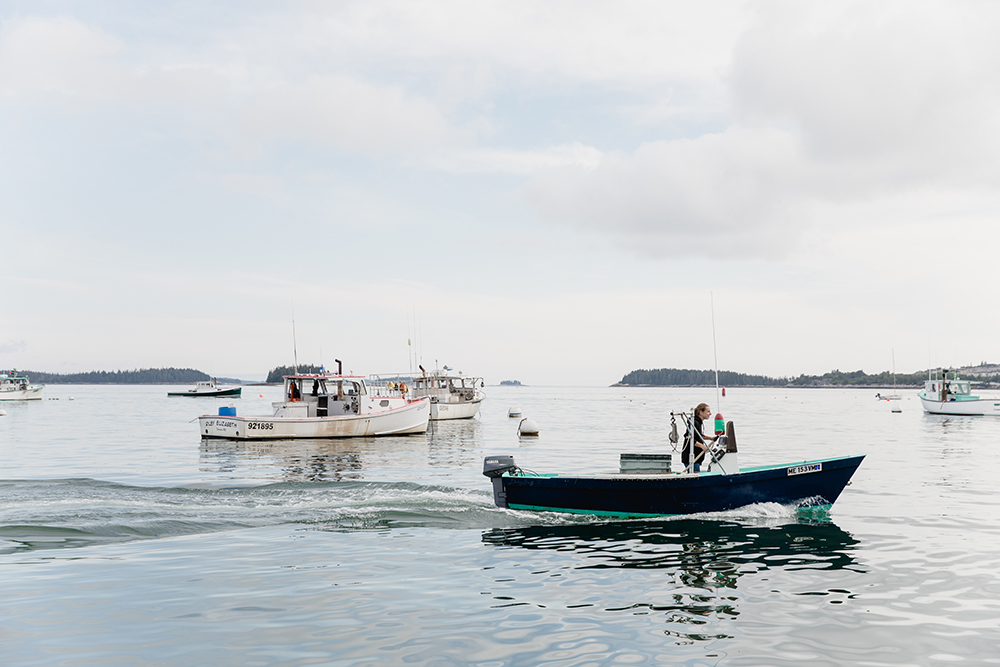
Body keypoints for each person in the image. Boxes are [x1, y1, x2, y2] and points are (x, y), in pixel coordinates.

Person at [681, 403, 718, 472]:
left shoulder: (698, 422)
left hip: (695, 459)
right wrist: (702, 446)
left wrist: (710, 438)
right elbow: (688, 438)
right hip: (691, 459)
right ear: (701, 412)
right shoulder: (694, 423)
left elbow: (698, 435)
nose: (710, 414)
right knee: (694, 476)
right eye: (708, 411)